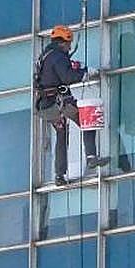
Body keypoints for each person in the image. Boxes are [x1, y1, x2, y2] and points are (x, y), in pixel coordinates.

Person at [34, 24, 108, 185]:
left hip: (46, 105)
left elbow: (54, 74)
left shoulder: (46, 56)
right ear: (63, 42)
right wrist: (84, 73)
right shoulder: (59, 56)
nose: (69, 47)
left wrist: (80, 67)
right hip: (59, 103)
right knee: (86, 120)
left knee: (62, 133)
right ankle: (91, 158)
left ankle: (60, 175)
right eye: (68, 44)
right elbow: (67, 76)